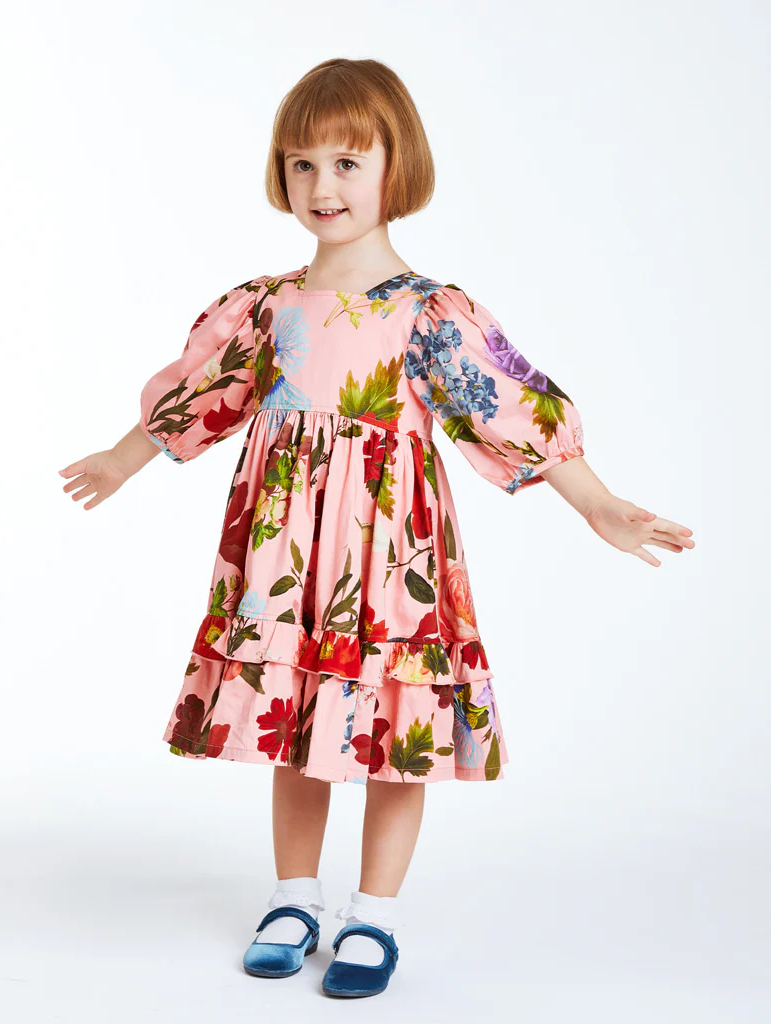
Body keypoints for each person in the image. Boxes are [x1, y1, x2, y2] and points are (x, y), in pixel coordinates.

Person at [57, 57, 695, 998]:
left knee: (397, 726)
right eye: (303, 163)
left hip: (391, 551)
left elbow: (504, 406)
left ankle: (374, 914)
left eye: (348, 163)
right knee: (292, 721)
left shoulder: (429, 312)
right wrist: (122, 458)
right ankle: (293, 898)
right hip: (286, 549)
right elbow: (205, 389)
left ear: (397, 169)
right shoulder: (266, 305)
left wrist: (595, 501)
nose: (323, 185)